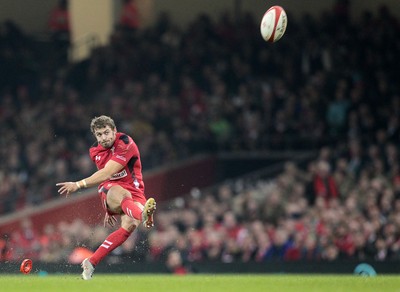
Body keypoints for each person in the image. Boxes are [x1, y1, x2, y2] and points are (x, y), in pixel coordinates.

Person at [56, 115, 156, 280]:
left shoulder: (125, 142)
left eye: (106, 132)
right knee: (122, 194)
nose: (103, 138)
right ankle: (144, 215)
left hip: (135, 191)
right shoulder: (95, 151)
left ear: (114, 131)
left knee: (129, 225)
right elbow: (107, 176)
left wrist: (78, 184)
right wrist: (106, 205)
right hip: (111, 190)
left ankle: (92, 262)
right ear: (95, 136)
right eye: (99, 134)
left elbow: (109, 171)